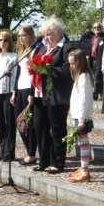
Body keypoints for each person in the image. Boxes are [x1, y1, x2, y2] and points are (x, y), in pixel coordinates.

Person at [32, 16, 74, 174]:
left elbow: (67, 71)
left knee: (56, 130)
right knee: (40, 128)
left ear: (59, 32)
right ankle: (43, 161)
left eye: (49, 33)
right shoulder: (42, 48)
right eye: (44, 34)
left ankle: (57, 162)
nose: (46, 37)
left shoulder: (66, 48)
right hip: (40, 94)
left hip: (57, 95)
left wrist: (48, 69)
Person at [0, 31, 18, 161]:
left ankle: (9, 152)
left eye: (5, 40)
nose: (2, 42)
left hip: (8, 92)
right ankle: (3, 150)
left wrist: (14, 92)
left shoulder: (14, 56)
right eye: (0, 40)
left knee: (9, 123)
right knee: (1, 123)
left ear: (9, 42)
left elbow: (15, 76)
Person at [66, 49, 94, 182]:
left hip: (83, 116)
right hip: (78, 115)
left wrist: (81, 119)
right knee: (81, 141)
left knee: (83, 142)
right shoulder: (79, 77)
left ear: (80, 62)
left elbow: (84, 99)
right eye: (70, 63)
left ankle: (85, 170)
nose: (71, 66)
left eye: (72, 63)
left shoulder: (84, 77)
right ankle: (83, 168)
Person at [11, 26, 37, 166]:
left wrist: (32, 92)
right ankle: (29, 150)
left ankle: (31, 154)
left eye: (23, 35)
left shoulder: (35, 49)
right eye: (19, 36)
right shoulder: (21, 50)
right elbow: (18, 73)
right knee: (18, 121)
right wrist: (14, 91)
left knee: (28, 122)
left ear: (30, 35)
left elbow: (35, 73)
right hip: (20, 87)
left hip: (29, 88)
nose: (21, 38)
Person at [89, 22, 104, 100]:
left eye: (98, 27)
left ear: (101, 28)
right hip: (93, 60)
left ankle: (95, 93)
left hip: (101, 59)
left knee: (98, 76)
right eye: (95, 27)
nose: (97, 29)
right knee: (95, 76)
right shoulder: (93, 38)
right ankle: (100, 92)